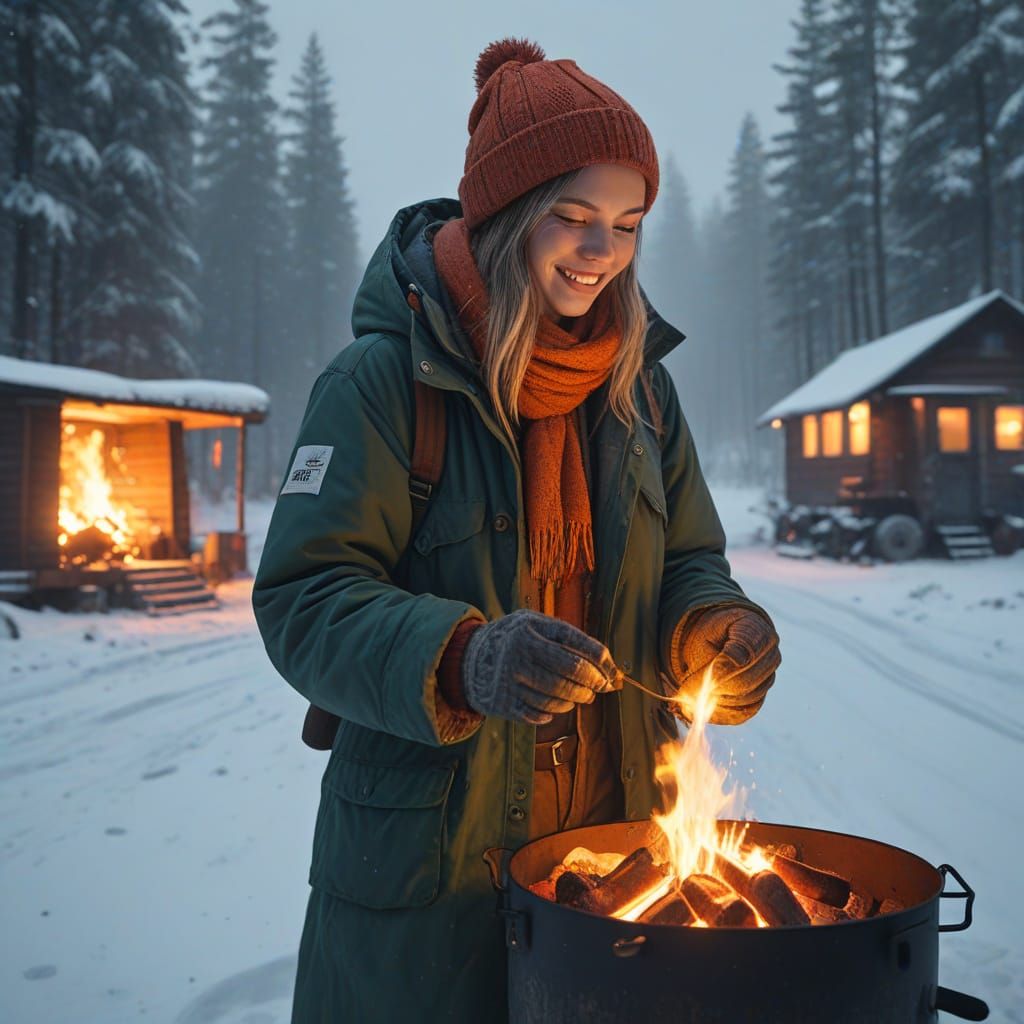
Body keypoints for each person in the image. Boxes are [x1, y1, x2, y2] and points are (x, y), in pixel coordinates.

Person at [252, 37, 781, 1023]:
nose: (601, 251)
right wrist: (460, 656)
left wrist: (712, 625)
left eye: (626, 225)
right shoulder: (381, 383)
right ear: (503, 219)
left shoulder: (640, 391)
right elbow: (303, 597)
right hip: (431, 868)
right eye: (571, 219)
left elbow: (689, 560)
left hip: (616, 840)